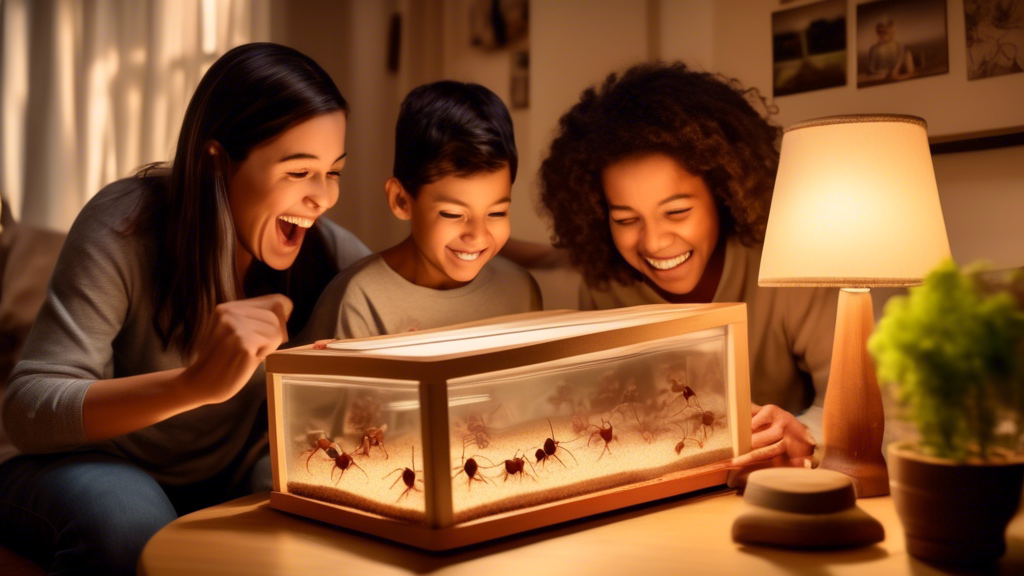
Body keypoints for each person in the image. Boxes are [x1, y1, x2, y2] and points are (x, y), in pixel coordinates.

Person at [0, 43, 370, 575]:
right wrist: (191, 385)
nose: (323, 197)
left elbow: (399, 274)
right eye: (298, 172)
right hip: (89, 465)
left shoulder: (325, 251)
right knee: (127, 523)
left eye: (333, 171)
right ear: (215, 162)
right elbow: (28, 408)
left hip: (229, 472)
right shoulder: (123, 225)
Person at [536, 62, 836, 467]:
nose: (654, 242)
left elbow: (859, 401)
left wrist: (806, 437)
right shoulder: (606, 285)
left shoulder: (787, 263)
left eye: (676, 212)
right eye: (626, 220)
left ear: (722, 193)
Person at [300, 80, 540, 342]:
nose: (478, 236)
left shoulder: (519, 290)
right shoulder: (359, 299)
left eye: (496, 213)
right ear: (401, 201)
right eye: (452, 214)